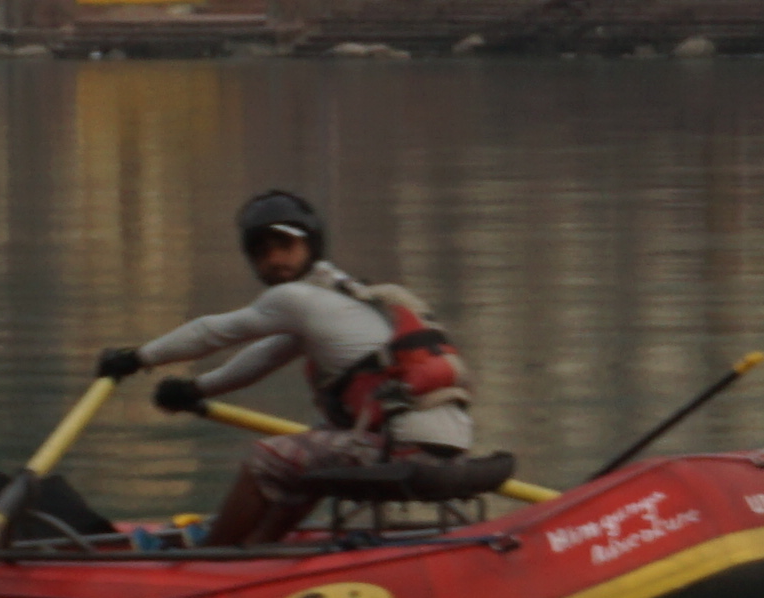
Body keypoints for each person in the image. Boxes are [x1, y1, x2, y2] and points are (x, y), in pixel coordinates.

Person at [98, 188, 481, 551]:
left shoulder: (295, 298)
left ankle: (210, 558)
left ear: (311, 246)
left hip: (405, 452)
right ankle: (258, 550)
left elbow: (212, 332)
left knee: (267, 458)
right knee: (309, 453)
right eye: (261, 251)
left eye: (285, 245)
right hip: (448, 451)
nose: (274, 259)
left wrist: (136, 359)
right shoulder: (337, 300)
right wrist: (196, 390)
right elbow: (262, 358)